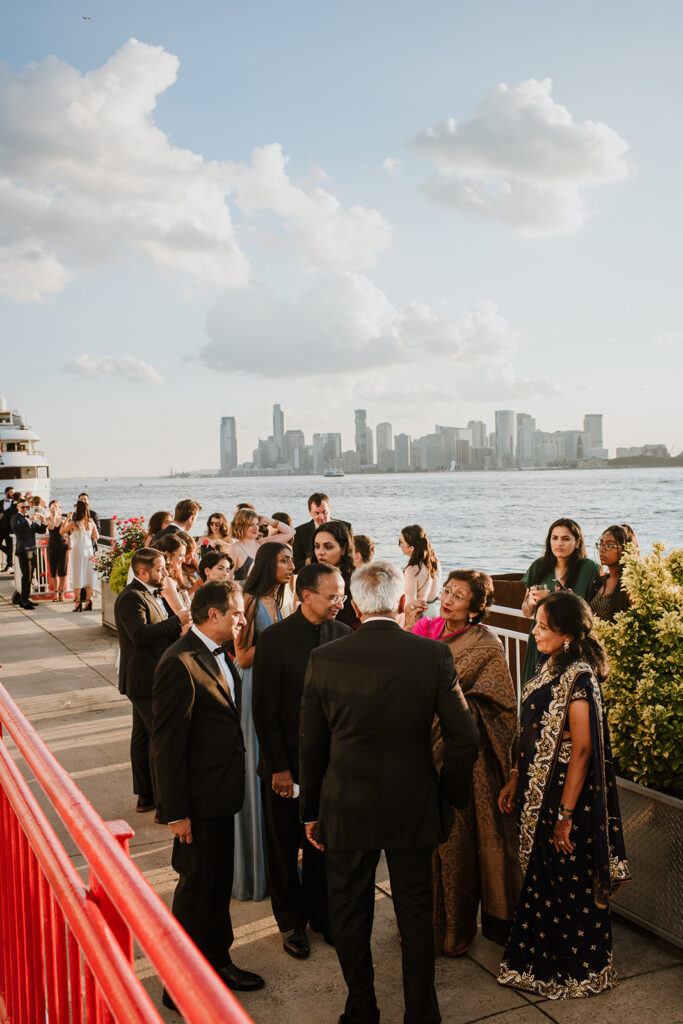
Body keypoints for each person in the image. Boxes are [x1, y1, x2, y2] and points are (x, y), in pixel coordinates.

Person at [299, 560, 480, 1024]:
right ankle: (421, 1013)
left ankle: (362, 1009)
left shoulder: (325, 658)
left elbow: (312, 745)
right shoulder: (432, 655)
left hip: (345, 803)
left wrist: (311, 810)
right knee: (416, 912)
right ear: (401, 601)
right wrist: (448, 795)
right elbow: (465, 738)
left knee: (349, 910)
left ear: (356, 607)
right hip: (413, 800)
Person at [498, 591, 630, 999]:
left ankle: (579, 971)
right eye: (536, 624)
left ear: (567, 634)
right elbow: (531, 728)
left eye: (543, 626)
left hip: (565, 798)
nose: (535, 632)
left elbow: (583, 749)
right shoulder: (550, 665)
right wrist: (516, 776)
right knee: (542, 879)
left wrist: (566, 816)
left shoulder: (580, 678)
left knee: (567, 880)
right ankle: (538, 961)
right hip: (538, 791)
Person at [152, 581, 265, 1009]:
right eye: (236, 613)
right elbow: (167, 747)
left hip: (221, 793)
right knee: (196, 889)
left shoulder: (220, 653)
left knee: (217, 885)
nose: (242, 621)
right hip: (196, 801)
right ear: (213, 614)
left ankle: (217, 961)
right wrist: (176, 812)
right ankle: (177, 985)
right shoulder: (178, 662)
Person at [406, 571, 521, 956]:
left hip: (461, 763)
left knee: (454, 844)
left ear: (475, 608)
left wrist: (452, 713)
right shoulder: (427, 631)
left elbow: (501, 705)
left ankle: (455, 930)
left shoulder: (486, 645)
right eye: (447, 591)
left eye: (459, 595)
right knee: (417, 845)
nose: (448, 598)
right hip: (417, 751)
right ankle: (418, 924)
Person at [253, 564, 351, 959]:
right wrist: (279, 767)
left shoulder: (343, 634)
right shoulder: (274, 639)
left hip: (328, 766)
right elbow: (264, 709)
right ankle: (291, 922)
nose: (339, 601)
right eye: (332, 595)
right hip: (285, 764)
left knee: (322, 845)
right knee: (282, 847)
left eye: (342, 594)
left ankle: (322, 916)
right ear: (306, 596)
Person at [232, 542, 295, 900]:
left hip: (277, 686)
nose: (291, 566)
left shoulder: (281, 599)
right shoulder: (251, 601)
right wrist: (281, 641)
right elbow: (241, 656)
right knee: (258, 763)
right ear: (269, 564)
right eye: (285, 561)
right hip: (255, 686)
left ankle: (277, 860)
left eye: (291, 560)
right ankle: (254, 867)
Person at [114, 548, 189, 816]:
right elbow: (141, 635)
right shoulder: (131, 598)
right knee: (162, 739)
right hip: (144, 680)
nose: (165, 572)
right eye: (160, 569)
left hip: (148, 677)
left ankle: (147, 796)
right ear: (143, 573)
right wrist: (177, 621)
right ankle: (165, 805)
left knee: (143, 738)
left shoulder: (150, 593)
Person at [520, 518, 600, 683]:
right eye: (555, 538)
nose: (559, 543)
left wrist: (566, 602)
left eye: (565, 538)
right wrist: (531, 603)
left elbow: (593, 610)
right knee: (534, 689)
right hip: (541, 638)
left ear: (577, 542)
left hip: (572, 643)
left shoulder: (588, 568)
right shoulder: (539, 566)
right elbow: (525, 611)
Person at [312, 520, 359, 630]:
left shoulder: (357, 582)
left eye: (328, 547)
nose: (320, 552)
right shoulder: (310, 578)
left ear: (344, 548)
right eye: (317, 546)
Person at [228, 508, 295, 582]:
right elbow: (228, 580)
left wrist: (267, 520)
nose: (256, 528)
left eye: (257, 524)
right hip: (246, 589)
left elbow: (291, 532)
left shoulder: (263, 543)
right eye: (251, 525)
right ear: (241, 525)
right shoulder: (235, 548)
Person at [292, 492, 352, 574]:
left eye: (324, 512)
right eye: (317, 513)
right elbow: (295, 567)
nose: (322, 517)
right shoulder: (299, 532)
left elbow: (351, 554)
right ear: (310, 512)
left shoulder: (346, 527)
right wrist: (312, 560)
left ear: (330, 509)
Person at [590, 524, 639, 622]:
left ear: (625, 550)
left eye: (610, 545)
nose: (602, 549)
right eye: (601, 544)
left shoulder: (630, 585)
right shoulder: (601, 581)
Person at [61, 500, 99, 611]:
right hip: (89, 552)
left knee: (77, 575)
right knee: (88, 575)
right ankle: (88, 601)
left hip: (78, 551)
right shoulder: (91, 522)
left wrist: (66, 519)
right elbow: (96, 536)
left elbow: (61, 531)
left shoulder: (74, 523)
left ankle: (78, 603)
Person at [10, 497, 47, 609]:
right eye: (23, 507)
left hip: (32, 550)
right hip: (23, 550)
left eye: (27, 507)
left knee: (30, 576)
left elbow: (41, 530)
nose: (25, 509)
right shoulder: (15, 518)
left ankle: (26, 598)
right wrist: (30, 520)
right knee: (26, 576)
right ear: (18, 507)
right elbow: (17, 529)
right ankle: (23, 601)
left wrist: (43, 521)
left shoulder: (29, 519)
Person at [399, 525, 442, 618]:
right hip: (434, 612)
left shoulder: (412, 570)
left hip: (419, 615)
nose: (399, 545)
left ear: (411, 548)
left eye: (401, 542)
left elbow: (409, 605)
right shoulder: (435, 561)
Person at [152, 533, 189, 616]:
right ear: (168, 554)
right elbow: (183, 615)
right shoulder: (166, 581)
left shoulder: (162, 579)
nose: (184, 560)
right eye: (181, 555)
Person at [46, 500, 70, 601]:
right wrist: (53, 517)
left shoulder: (64, 518)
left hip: (62, 546)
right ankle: (55, 592)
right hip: (52, 546)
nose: (54, 508)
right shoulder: (48, 518)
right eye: (53, 506)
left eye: (56, 506)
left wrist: (66, 519)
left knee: (63, 570)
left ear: (59, 508)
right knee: (53, 570)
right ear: (49, 508)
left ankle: (62, 593)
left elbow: (65, 531)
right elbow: (51, 527)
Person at [0, 486, 15, 571]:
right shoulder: (0, 502)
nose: (13, 494)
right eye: (11, 492)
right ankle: (9, 552)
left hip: (10, 528)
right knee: (9, 549)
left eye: (13, 492)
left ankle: (9, 565)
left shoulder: (14, 504)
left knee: (10, 545)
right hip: (1, 528)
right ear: (6, 493)